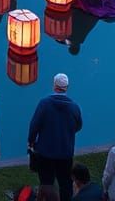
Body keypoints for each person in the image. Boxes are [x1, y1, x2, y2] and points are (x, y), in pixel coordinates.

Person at [27, 73, 83, 201]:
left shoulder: (44, 104)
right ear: (67, 87)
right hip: (65, 152)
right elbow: (79, 126)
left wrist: (31, 141)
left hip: (45, 152)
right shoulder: (74, 107)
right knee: (65, 184)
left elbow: (34, 125)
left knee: (46, 183)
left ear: (54, 86)